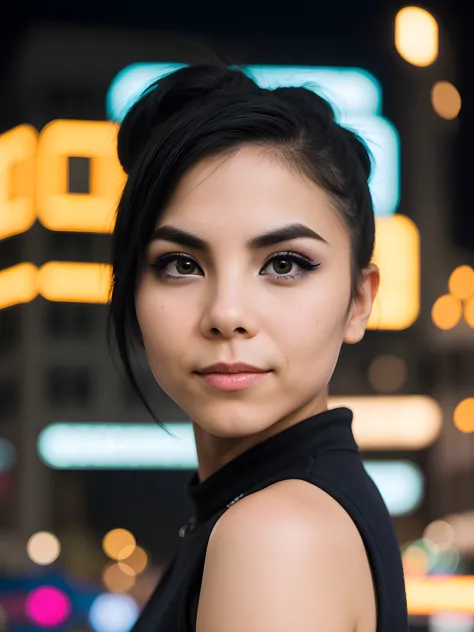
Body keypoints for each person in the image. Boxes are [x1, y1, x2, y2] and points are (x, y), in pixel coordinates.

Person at [107, 62, 408, 632]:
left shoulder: (274, 535)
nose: (226, 315)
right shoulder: (258, 511)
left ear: (359, 301)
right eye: (181, 264)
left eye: (284, 264)